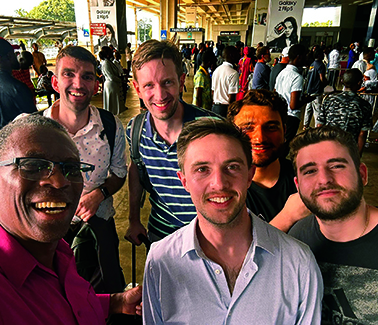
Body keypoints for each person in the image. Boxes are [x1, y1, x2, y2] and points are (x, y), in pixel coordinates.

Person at [0, 115, 142, 323]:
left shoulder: (57, 251)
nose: (58, 182)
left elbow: (59, 302)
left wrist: (115, 303)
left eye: (72, 169)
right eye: (33, 166)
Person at [143, 118, 323, 324]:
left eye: (232, 167)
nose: (219, 183)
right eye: (202, 169)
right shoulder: (160, 261)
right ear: (184, 181)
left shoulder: (298, 263)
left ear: (249, 176)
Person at [48, 45, 127, 294]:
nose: (78, 84)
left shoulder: (110, 126)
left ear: (96, 85)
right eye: (69, 74)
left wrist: (99, 195)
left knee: (107, 296)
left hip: (100, 226)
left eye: (87, 76)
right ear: (54, 82)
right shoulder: (33, 129)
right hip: (49, 233)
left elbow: (119, 173)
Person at [125, 40, 219, 245]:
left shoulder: (213, 128)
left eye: (167, 82)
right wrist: (133, 220)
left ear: (181, 80)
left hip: (208, 236)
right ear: (137, 89)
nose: (159, 95)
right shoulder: (136, 130)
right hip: (161, 235)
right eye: (149, 85)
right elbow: (136, 170)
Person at [288, 126, 378, 324]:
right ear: (298, 185)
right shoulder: (298, 238)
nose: (324, 180)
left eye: (337, 166)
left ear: (362, 174)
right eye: (310, 171)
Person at [228, 89, 309, 226]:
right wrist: (288, 217)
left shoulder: (306, 179)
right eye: (247, 128)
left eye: (271, 127)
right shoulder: (223, 186)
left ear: (284, 132)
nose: (260, 138)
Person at [316, 68, 372, 156]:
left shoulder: (329, 100)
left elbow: (319, 125)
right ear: (359, 83)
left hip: (328, 146)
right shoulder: (364, 105)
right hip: (348, 150)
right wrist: (357, 156)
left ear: (342, 81)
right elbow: (362, 134)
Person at [275, 44, 314, 154]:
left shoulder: (282, 73)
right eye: (305, 56)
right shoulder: (297, 77)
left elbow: (275, 93)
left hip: (280, 113)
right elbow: (293, 105)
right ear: (299, 57)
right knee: (285, 147)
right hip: (291, 117)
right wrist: (306, 100)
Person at [211, 46, 240, 117]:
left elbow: (213, 91)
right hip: (225, 109)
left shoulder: (216, 70)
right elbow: (231, 98)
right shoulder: (233, 73)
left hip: (215, 107)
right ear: (232, 56)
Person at [303, 49, 327, 129]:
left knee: (308, 109)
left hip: (309, 90)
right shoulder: (320, 65)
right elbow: (322, 78)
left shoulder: (312, 64)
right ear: (320, 55)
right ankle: (318, 127)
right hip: (317, 91)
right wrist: (325, 84)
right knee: (317, 110)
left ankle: (305, 125)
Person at [99, 46, 126, 115]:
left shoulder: (109, 62)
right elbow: (111, 76)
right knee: (112, 106)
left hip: (113, 85)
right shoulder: (106, 63)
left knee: (114, 105)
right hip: (111, 85)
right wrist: (120, 80)